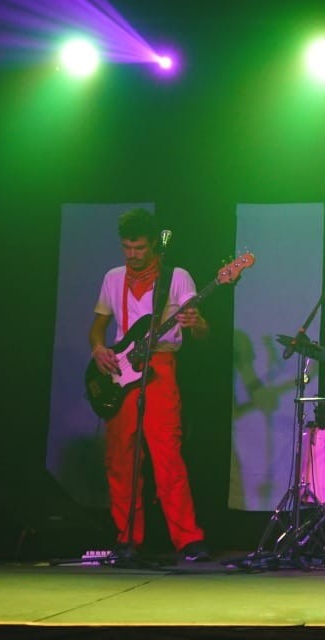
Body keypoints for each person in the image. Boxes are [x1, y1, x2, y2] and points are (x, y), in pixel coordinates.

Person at [89, 209, 210, 562]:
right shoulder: (113, 278)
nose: (132, 255)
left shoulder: (177, 277)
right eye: (126, 248)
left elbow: (202, 334)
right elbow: (98, 327)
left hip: (160, 366)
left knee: (167, 456)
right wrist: (98, 349)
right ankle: (126, 538)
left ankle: (188, 539)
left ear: (154, 245)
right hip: (121, 369)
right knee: (120, 459)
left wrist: (197, 322)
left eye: (139, 248)